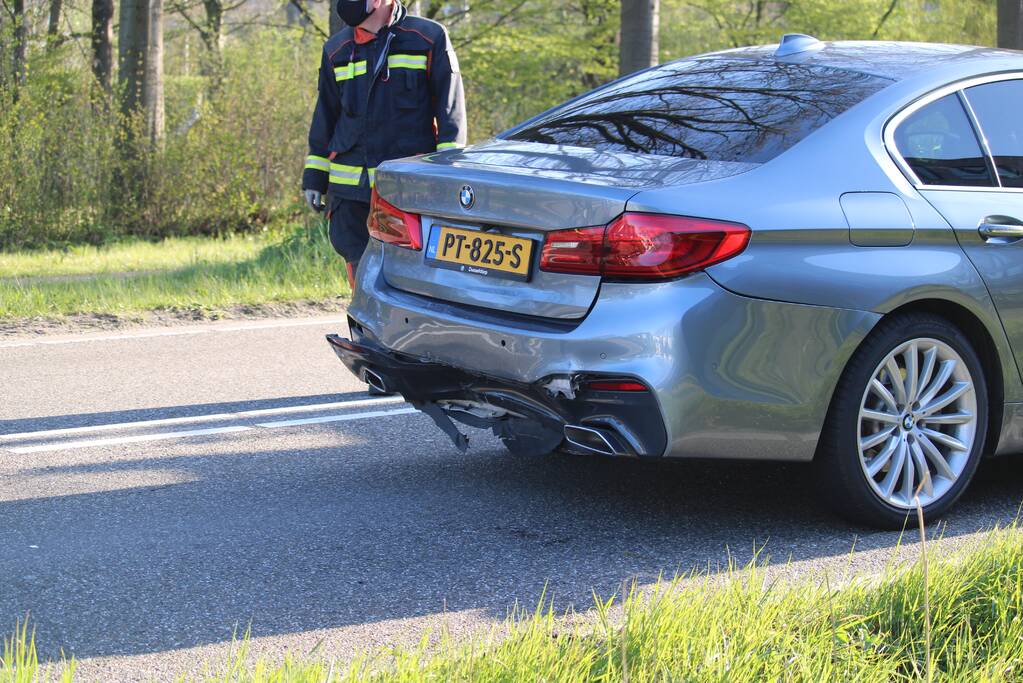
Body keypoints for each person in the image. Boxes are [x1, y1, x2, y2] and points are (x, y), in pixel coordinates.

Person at [302, 0, 467, 290]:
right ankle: (364, 330)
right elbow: (325, 117)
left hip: (408, 191)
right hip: (349, 194)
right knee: (359, 270)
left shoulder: (428, 38)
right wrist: (314, 177)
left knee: (411, 275)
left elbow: (450, 115)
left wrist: (448, 178)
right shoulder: (336, 50)